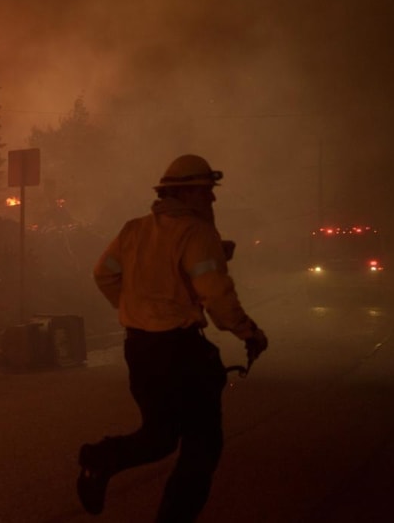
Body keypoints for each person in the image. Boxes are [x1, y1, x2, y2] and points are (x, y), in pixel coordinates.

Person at [77, 154, 269, 522]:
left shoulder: (134, 230)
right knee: (203, 446)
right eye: (207, 192)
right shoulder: (197, 233)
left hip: (140, 348)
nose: (212, 200)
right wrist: (250, 333)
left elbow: (104, 274)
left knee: (160, 436)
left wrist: (138, 310)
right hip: (179, 352)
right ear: (188, 193)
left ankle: (102, 459)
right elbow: (215, 293)